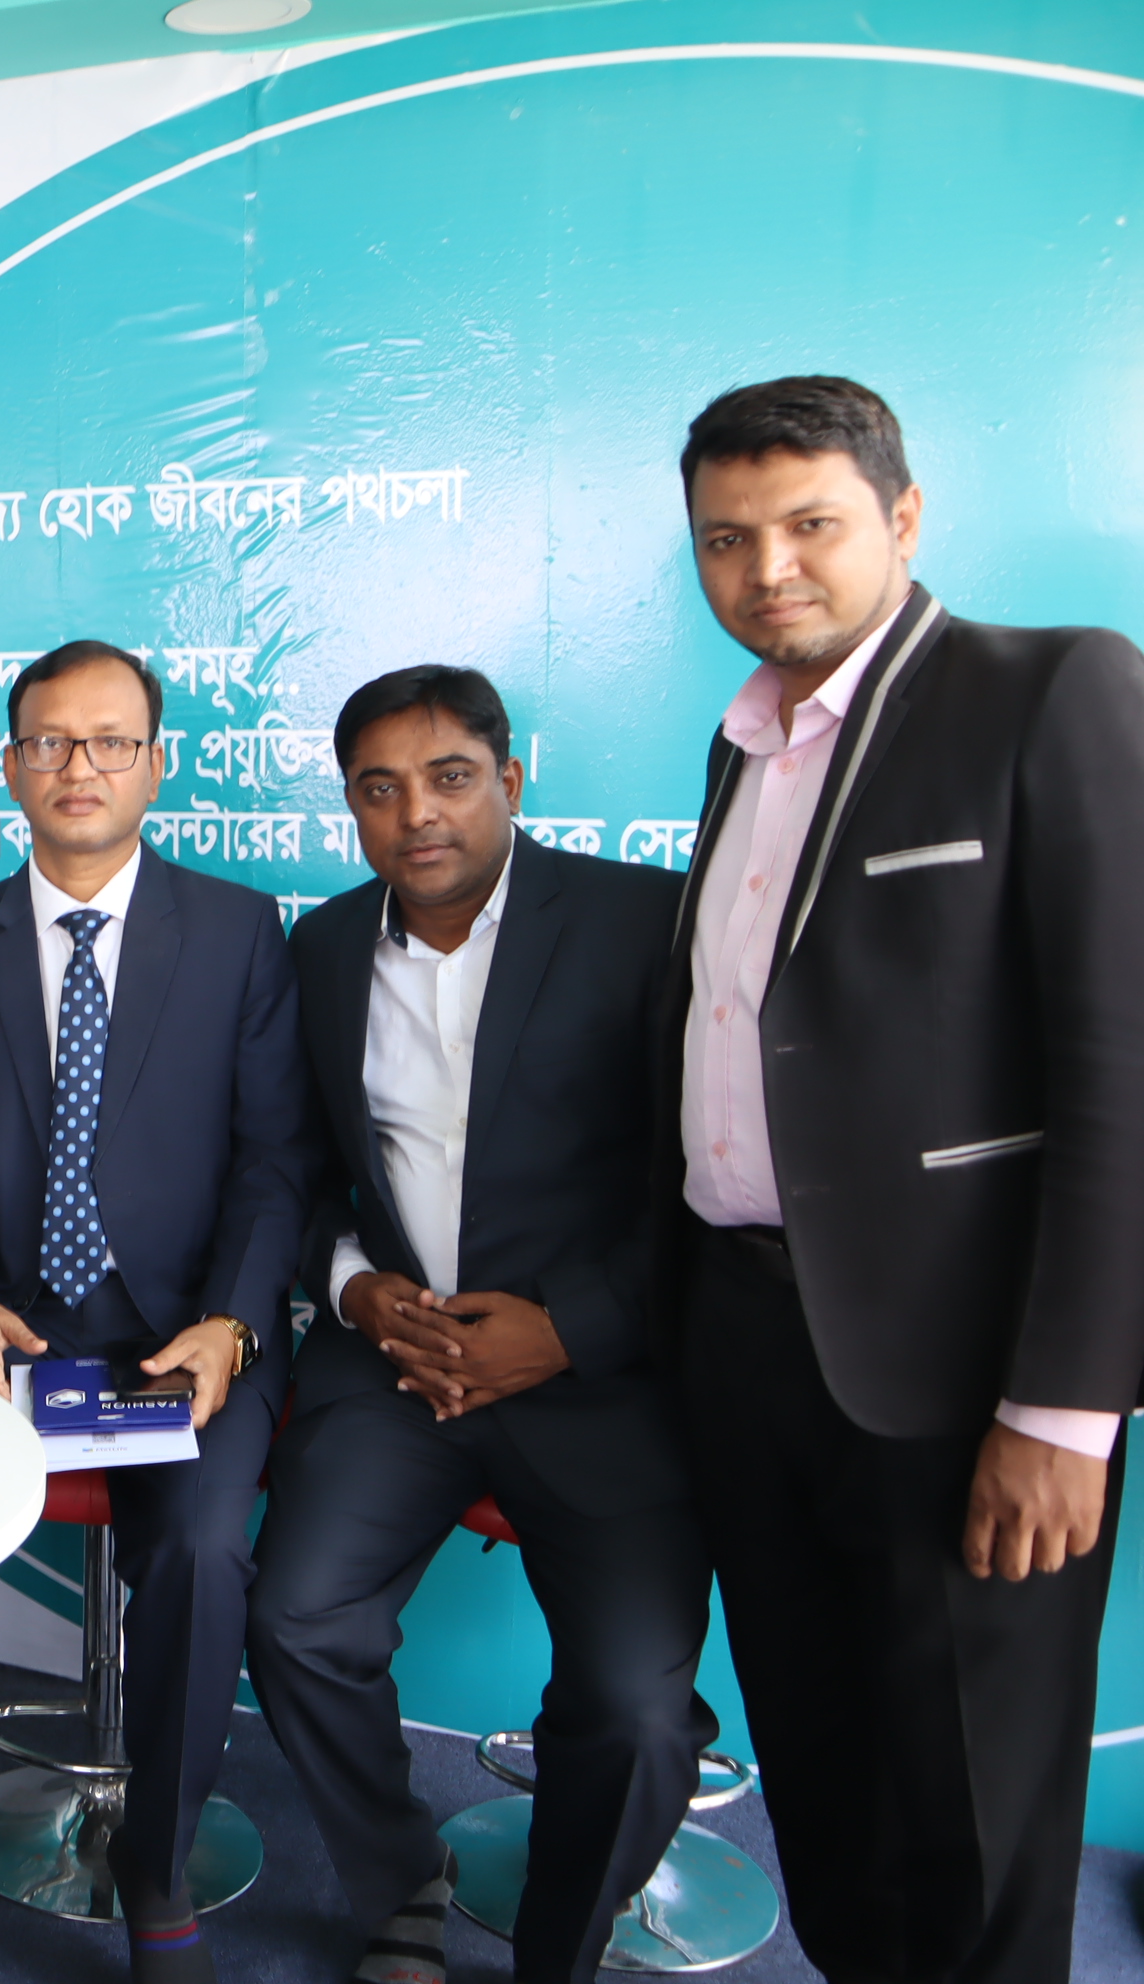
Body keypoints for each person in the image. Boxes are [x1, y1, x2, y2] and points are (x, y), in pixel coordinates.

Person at [660, 375, 1144, 1981]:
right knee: (830, 1794)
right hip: (746, 1346)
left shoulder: (1051, 690)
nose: (769, 569)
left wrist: (1066, 1412)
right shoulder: (744, 744)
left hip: (960, 1377)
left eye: (811, 524)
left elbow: (1122, 1073)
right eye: (728, 539)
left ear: (905, 516)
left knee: (975, 1824)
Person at [0, 638, 313, 1984]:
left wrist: (232, 1324)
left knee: (203, 1551)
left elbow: (277, 1162)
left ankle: (156, 1865)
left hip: (185, 1334)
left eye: (111, 741)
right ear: (8, 768)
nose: (80, 766)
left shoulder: (238, 931)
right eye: (50, 741)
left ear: (156, 766)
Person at [246, 667, 712, 1984]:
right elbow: (292, 1172)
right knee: (295, 1621)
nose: (417, 816)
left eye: (449, 778)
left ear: (510, 779)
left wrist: (569, 1329)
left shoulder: (645, 923)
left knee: (635, 1712)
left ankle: (560, 1946)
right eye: (378, 790)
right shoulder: (322, 949)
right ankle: (401, 1878)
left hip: (597, 1374)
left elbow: (719, 1181)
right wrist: (356, 1290)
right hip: (394, 1365)